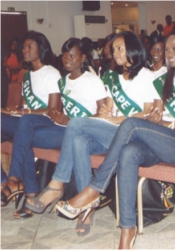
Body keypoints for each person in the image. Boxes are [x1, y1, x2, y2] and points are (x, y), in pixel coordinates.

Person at [55, 29, 175, 249]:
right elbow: (155, 115)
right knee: (128, 152)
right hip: (160, 141)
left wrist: (172, 124)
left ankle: (94, 189)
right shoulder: (163, 80)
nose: (169, 53)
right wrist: (155, 119)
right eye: (167, 48)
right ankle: (127, 228)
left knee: (130, 124)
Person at [25, 32, 155, 236]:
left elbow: (147, 112)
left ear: (133, 49)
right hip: (113, 132)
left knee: (76, 123)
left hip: (135, 135)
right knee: (80, 141)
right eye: (114, 49)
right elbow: (108, 110)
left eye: (120, 48)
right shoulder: (115, 77)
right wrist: (106, 114)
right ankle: (87, 207)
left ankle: (57, 183)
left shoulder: (147, 75)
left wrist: (116, 119)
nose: (115, 53)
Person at [1, 37, 106, 219]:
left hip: (79, 131)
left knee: (23, 132)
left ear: (83, 58)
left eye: (72, 56)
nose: (67, 59)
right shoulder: (64, 81)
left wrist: (70, 120)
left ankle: (18, 183)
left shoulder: (93, 80)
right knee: (23, 132)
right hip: (59, 129)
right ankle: (21, 185)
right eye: (65, 55)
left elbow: (103, 116)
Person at [1, 31, 61, 211]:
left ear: (41, 49)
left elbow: (53, 109)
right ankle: (19, 188)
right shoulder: (25, 75)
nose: (25, 50)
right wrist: (12, 110)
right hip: (26, 122)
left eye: (29, 47)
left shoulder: (52, 73)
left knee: (24, 126)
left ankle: (15, 181)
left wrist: (23, 111)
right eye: (23, 47)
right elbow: (23, 106)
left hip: (46, 123)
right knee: (21, 130)